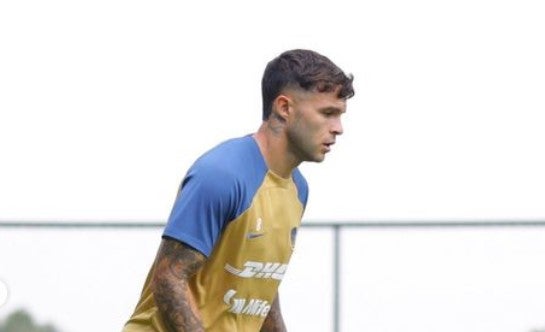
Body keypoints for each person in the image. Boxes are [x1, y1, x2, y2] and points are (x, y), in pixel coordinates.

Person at [123, 49, 355, 332]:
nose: (338, 128)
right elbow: (169, 279)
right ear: (284, 108)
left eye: (340, 115)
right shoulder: (222, 174)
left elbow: (258, 287)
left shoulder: (298, 189)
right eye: (327, 113)